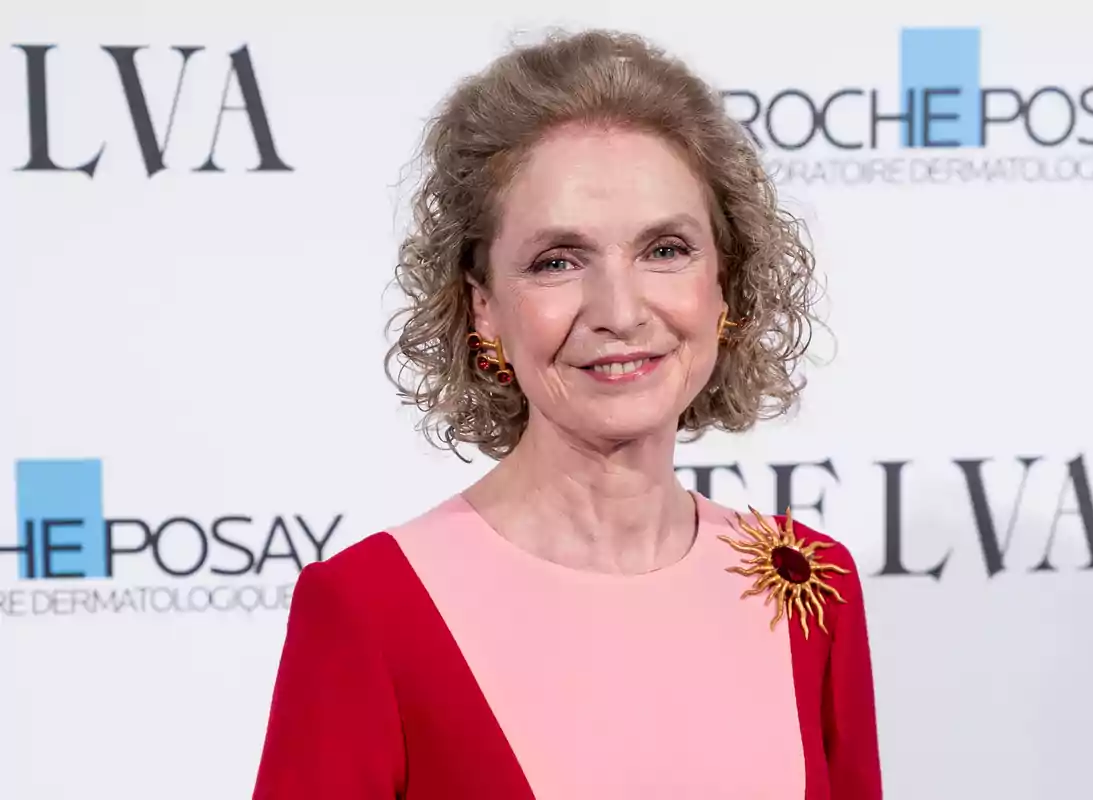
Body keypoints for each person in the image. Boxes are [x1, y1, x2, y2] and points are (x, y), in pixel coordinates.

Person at [252, 29, 882, 800]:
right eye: (558, 261)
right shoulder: (371, 610)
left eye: (666, 249)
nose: (620, 310)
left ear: (726, 284)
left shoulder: (806, 583)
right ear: (483, 309)